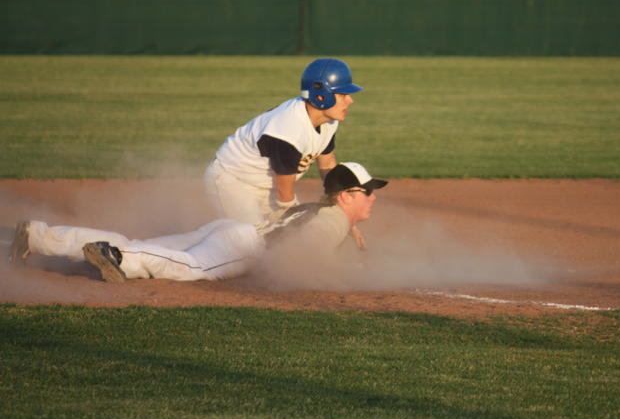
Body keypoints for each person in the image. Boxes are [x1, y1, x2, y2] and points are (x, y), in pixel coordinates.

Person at [8, 162, 387, 283]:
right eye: (367, 191)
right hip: (244, 246)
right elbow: (306, 261)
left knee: (143, 242)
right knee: (191, 268)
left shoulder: (318, 209)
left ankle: (40, 236)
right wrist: (348, 271)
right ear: (345, 196)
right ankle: (118, 257)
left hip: (230, 230)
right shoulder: (332, 221)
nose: (373, 196)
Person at [205, 57, 366, 246]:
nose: (350, 100)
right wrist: (292, 217)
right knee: (252, 243)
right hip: (233, 181)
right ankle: (189, 252)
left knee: (293, 233)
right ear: (321, 96)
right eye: (343, 94)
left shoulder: (328, 121)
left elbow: (328, 164)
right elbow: (284, 192)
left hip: (268, 184)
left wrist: (341, 212)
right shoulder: (288, 129)